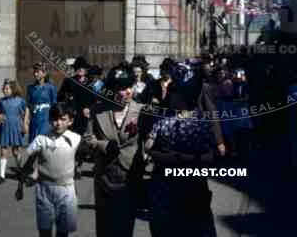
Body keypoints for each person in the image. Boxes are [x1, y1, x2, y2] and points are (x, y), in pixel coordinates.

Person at [145, 81, 217, 237]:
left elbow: (148, 146)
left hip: (171, 181)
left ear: (181, 98)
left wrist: (168, 157)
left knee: (169, 226)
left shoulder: (164, 120)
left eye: (174, 94)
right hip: (189, 180)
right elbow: (210, 156)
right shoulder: (202, 121)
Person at [82, 64, 146, 237]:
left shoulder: (141, 111)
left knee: (125, 227)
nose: (127, 91)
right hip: (104, 176)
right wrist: (103, 145)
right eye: (122, 88)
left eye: (129, 87)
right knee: (105, 227)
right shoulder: (98, 110)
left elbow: (148, 141)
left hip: (130, 177)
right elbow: (87, 139)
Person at [21, 103, 81, 237]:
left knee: (63, 231)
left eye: (62, 119)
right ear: (49, 120)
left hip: (66, 190)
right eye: (54, 119)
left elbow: (83, 156)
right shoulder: (41, 140)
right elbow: (29, 162)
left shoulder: (76, 139)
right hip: (44, 189)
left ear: (70, 121)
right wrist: (21, 183)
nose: (58, 123)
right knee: (44, 230)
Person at [27, 62, 58, 184]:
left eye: (38, 71)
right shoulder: (30, 88)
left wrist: (55, 121)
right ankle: (39, 170)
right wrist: (25, 122)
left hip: (46, 119)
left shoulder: (51, 88)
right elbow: (28, 106)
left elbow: (55, 105)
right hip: (35, 120)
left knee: (43, 146)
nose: (36, 73)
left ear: (44, 73)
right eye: (35, 71)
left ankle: (36, 173)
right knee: (35, 146)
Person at [0, 79, 29, 185]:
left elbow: (26, 110)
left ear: (13, 89)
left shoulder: (20, 101)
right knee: (4, 150)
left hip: (16, 127)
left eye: (7, 88)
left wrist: (25, 123)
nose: (5, 90)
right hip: (5, 127)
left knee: (16, 151)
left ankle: (20, 172)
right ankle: (1, 175)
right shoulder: (0, 101)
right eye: (4, 88)